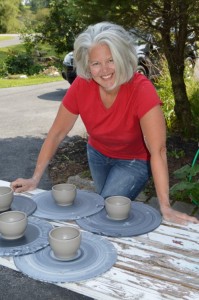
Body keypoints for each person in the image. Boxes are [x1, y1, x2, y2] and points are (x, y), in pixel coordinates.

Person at [11, 22, 198, 226]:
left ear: (123, 58)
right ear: (87, 66)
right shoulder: (81, 86)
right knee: (107, 205)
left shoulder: (141, 90)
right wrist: (34, 179)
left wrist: (165, 207)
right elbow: (57, 133)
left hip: (133, 161)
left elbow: (158, 150)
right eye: (96, 63)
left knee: (104, 211)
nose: (104, 70)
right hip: (97, 154)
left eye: (111, 60)